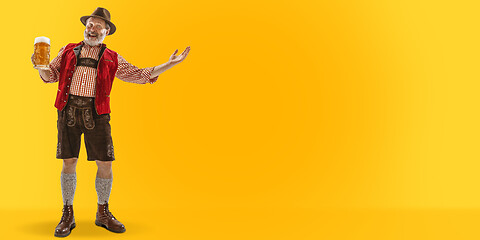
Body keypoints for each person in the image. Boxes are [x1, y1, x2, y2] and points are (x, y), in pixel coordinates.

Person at [31, 7, 190, 237]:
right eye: (89, 24)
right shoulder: (67, 51)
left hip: (97, 114)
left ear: (106, 31)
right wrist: (41, 67)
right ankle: (67, 213)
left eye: (97, 26)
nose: (91, 29)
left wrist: (170, 64)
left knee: (105, 163)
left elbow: (140, 75)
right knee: (69, 162)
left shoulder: (112, 58)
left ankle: (102, 212)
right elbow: (50, 77)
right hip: (68, 112)